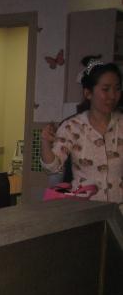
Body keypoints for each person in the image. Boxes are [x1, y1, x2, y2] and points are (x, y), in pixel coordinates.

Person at [41, 56, 123, 202]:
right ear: (88, 93)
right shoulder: (72, 127)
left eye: (117, 89)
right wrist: (46, 142)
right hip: (84, 209)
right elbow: (52, 168)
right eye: (106, 89)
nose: (112, 96)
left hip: (118, 210)